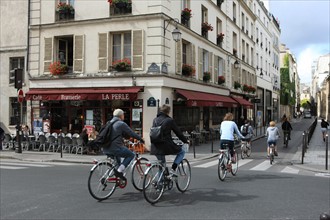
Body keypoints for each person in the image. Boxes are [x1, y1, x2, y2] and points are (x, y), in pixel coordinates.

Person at [103, 109, 144, 180]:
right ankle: (119, 172)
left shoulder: (108, 123)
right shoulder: (121, 124)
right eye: (123, 115)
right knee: (131, 155)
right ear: (121, 115)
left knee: (117, 162)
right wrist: (140, 139)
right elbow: (131, 133)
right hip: (115, 148)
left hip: (106, 148)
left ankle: (116, 178)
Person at [150, 105, 189, 177]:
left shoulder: (155, 119)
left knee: (162, 165)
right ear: (168, 112)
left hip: (155, 146)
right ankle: (173, 168)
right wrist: (185, 141)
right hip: (166, 145)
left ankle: (160, 184)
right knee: (181, 152)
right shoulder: (170, 120)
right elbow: (178, 133)